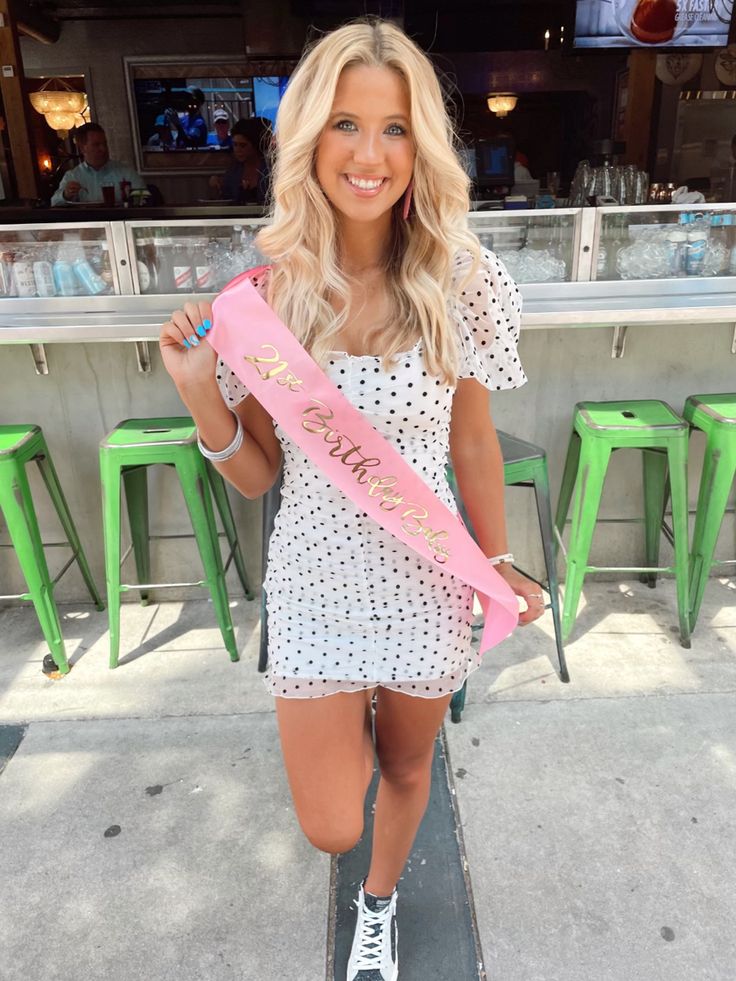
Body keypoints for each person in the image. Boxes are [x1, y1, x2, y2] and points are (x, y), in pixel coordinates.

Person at [159, 18, 542, 981]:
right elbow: (261, 473)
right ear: (307, 141)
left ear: (423, 145)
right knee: (331, 819)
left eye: (396, 128)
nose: (370, 155)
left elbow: (472, 439)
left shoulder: (460, 280)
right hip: (317, 577)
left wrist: (493, 562)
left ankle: (380, 905)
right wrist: (204, 396)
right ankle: (355, 833)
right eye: (344, 125)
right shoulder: (266, 298)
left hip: (427, 571)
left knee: (409, 765)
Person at [51, 123, 146, 206]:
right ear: (82, 148)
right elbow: (54, 203)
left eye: (105, 144)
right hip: (88, 224)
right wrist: (66, 195)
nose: (103, 149)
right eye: (96, 145)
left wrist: (135, 200)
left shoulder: (126, 173)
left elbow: (144, 200)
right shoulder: (73, 176)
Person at [208, 117, 271, 204]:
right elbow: (225, 202)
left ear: (255, 146)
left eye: (243, 145)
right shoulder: (233, 171)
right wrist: (217, 187)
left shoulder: (271, 170)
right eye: (235, 145)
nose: (237, 150)